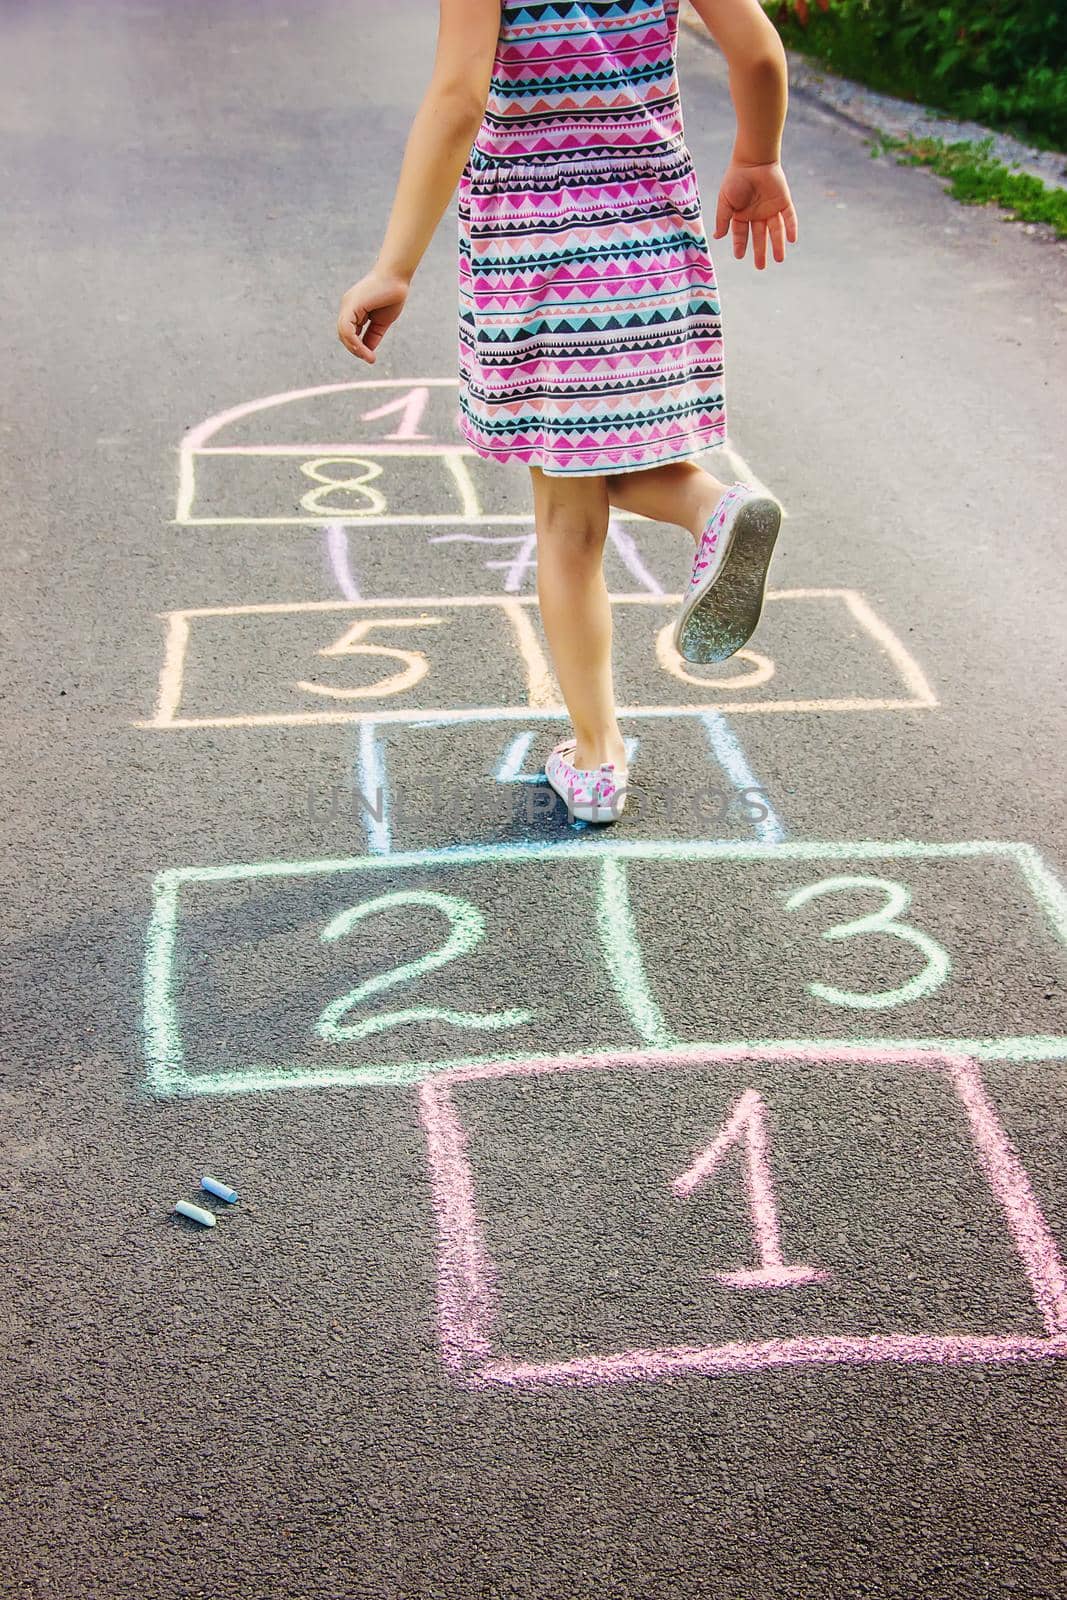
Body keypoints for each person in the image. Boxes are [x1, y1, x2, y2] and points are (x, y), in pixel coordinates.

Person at [338, 0, 797, 823]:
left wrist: (394, 266)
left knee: (566, 520)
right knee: (613, 451)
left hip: (538, 257)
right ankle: (710, 505)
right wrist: (757, 159)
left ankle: (596, 756)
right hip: (652, 240)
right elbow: (757, 53)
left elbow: (456, 99)